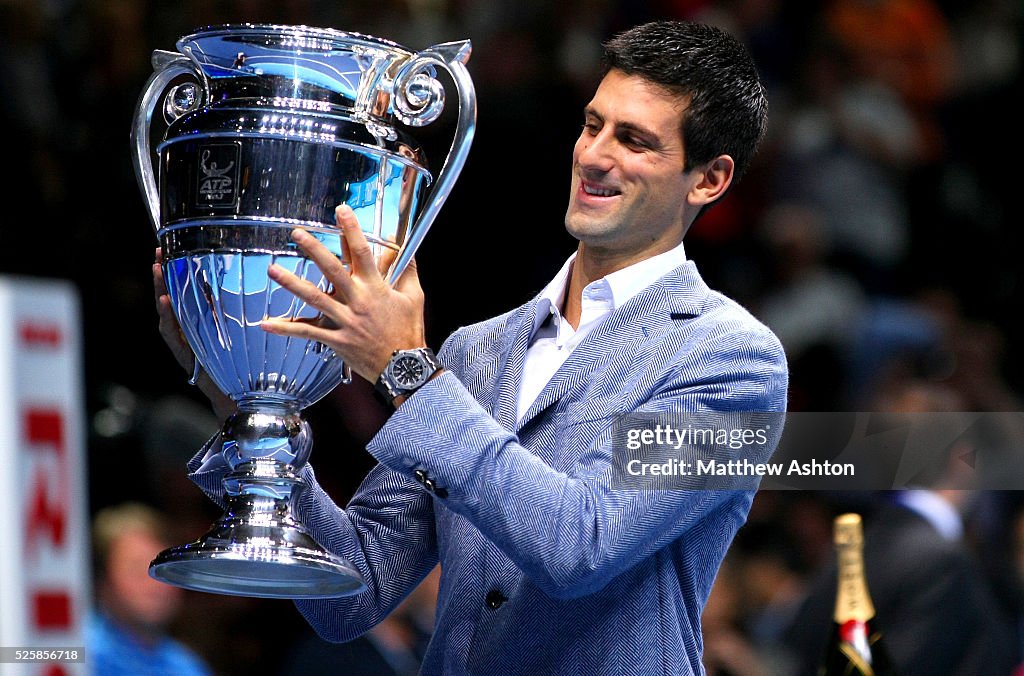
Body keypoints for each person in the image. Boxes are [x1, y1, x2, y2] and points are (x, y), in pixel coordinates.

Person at [155, 20, 788, 674]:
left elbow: (582, 544)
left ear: (708, 180)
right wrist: (244, 406)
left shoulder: (734, 364)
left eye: (633, 140)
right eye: (592, 124)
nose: (594, 155)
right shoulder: (476, 352)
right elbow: (353, 592)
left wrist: (405, 372)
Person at [86, 502, 212, 676]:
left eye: (162, 570)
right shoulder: (70, 650)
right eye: (136, 569)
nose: (155, 584)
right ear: (102, 581)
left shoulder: (186, 666)